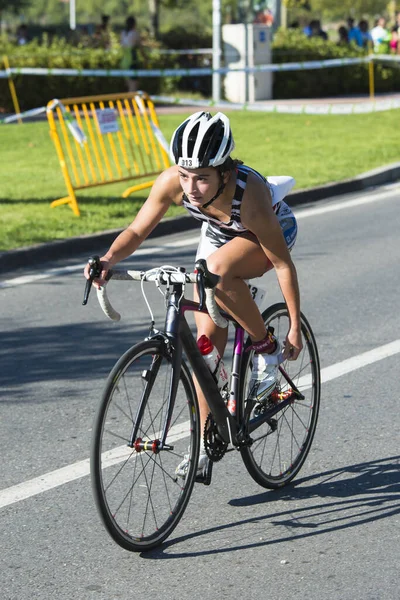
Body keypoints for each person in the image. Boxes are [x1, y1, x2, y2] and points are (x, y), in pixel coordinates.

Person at [84, 112, 302, 475]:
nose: (191, 188)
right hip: (218, 237)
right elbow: (137, 231)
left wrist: (293, 326)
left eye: (202, 178)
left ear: (225, 173)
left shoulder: (251, 195)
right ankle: (203, 440)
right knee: (206, 347)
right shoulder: (174, 182)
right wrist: (107, 259)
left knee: (217, 272)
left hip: (265, 233)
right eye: (185, 176)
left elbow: (282, 266)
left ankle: (265, 348)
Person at [120, 16, 141, 92]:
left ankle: (127, 103)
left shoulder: (122, 33)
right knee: (133, 86)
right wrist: (146, 58)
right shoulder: (135, 33)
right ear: (134, 24)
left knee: (130, 86)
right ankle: (128, 103)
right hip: (132, 62)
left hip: (124, 62)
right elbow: (140, 47)